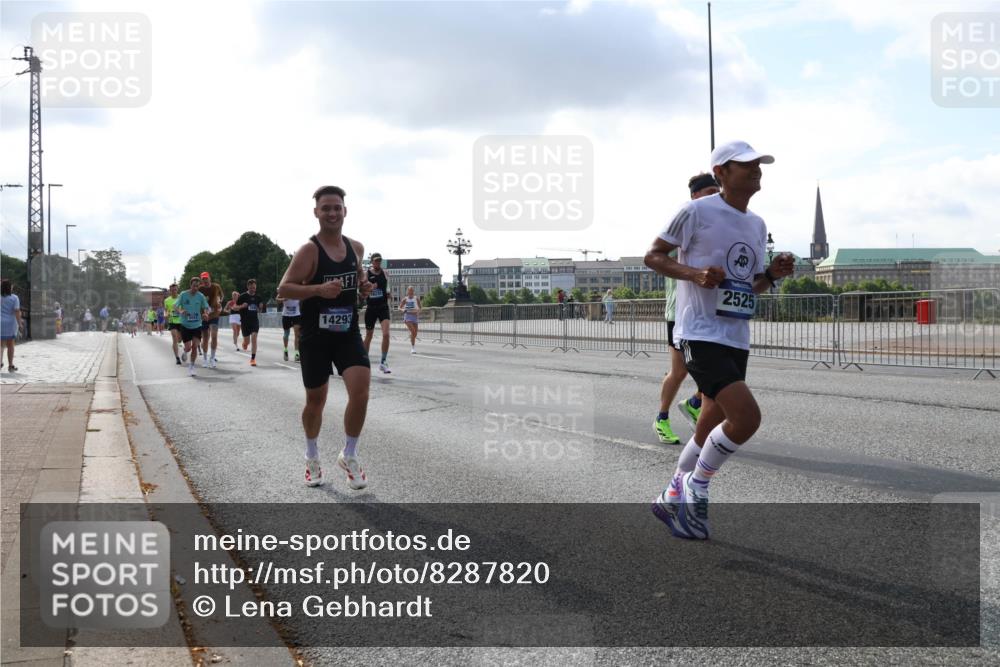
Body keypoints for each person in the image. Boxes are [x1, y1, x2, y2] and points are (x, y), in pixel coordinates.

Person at [645, 140, 794, 540]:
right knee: (745, 418)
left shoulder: (758, 225)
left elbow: (751, 284)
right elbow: (653, 256)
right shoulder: (696, 211)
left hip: (735, 333)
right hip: (698, 331)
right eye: (746, 165)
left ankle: (672, 490)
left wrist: (774, 275)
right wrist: (694, 274)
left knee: (708, 422)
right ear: (721, 173)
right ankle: (698, 485)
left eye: (759, 164)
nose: (756, 170)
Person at [277, 185, 373, 489]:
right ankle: (312, 456)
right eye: (326, 208)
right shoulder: (309, 251)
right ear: (316, 213)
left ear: (345, 211)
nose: (332, 213)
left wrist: (364, 287)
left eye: (337, 207)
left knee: (361, 391)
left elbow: (358, 279)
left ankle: (350, 454)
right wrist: (317, 289)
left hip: (347, 332)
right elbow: (283, 290)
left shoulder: (356, 248)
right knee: (316, 401)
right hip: (315, 335)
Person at [653, 173, 720, 445]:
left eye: (718, 191)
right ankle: (662, 418)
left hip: (706, 312)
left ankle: (694, 402)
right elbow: (658, 255)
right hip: (679, 312)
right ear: (695, 196)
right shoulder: (684, 221)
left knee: (715, 369)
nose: (715, 196)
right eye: (709, 192)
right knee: (680, 372)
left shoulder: (717, 225)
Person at [362, 252, 392, 373]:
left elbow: (388, 288)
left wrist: (389, 293)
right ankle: (363, 361)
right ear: (372, 262)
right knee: (369, 336)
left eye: (379, 261)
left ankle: (383, 362)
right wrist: (370, 289)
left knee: (386, 334)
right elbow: (362, 294)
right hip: (371, 308)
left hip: (383, 307)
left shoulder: (385, 273)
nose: (377, 263)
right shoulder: (366, 274)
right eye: (375, 261)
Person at [176, 276, 210, 377]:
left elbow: (207, 307)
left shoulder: (200, 296)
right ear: (190, 285)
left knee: (195, 346)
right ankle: (185, 352)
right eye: (194, 286)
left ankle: (191, 366)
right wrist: (181, 311)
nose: (195, 288)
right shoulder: (183, 294)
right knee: (188, 347)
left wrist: (205, 313)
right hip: (185, 325)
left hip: (197, 325)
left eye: (197, 286)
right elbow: (175, 306)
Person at [234, 279, 265, 366]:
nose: (253, 289)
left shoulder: (258, 298)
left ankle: (253, 359)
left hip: (254, 321)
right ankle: (245, 343)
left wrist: (260, 308)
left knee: (254, 338)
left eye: (254, 288)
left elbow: (259, 311)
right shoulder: (243, 296)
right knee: (247, 342)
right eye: (251, 288)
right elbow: (234, 307)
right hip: (245, 322)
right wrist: (242, 306)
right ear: (248, 287)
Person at [198, 271, 224, 368]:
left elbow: (221, 296)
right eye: (203, 279)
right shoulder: (200, 289)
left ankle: (212, 358)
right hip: (204, 315)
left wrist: (219, 301)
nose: (205, 280)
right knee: (205, 338)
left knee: (214, 336)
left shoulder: (216, 286)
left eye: (206, 278)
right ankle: (205, 359)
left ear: (210, 278)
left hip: (214, 314)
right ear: (201, 280)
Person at [1, 280, 23, 372]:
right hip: (10, 323)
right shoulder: (14, 298)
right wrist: (20, 323)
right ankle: (10, 365)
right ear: (10, 287)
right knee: (10, 345)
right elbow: (17, 311)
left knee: (0, 345)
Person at [163, 284, 184, 365]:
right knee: (174, 338)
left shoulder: (181, 298)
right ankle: (177, 358)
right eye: (172, 290)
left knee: (180, 339)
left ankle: (180, 342)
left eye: (175, 290)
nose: (173, 291)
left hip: (181, 321)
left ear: (177, 290)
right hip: (172, 321)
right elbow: (166, 310)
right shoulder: (167, 300)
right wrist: (166, 314)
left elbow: (185, 307)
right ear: (169, 291)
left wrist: (181, 311)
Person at [399, 286, 421, 354]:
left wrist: (418, 311)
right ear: (407, 292)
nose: (411, 292)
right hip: (408, 317)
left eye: (412, 290)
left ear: (413, 291)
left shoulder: (416, 298)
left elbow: (420, 307)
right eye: (409, 290)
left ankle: (411, 337)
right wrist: (403, 310)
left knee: (415, 333)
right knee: (413, 332)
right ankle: (413, 348)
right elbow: (399, 308)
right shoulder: (405, 299)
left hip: (414, 316)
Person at [280, 296, 302, 362]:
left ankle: (297, 354)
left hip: (296, 315)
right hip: (286, 316)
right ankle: (285, 350)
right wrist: (284, 299)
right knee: (286, 334)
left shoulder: (298, 291)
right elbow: (277, 299)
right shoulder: (285, 289)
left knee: (297, 335)